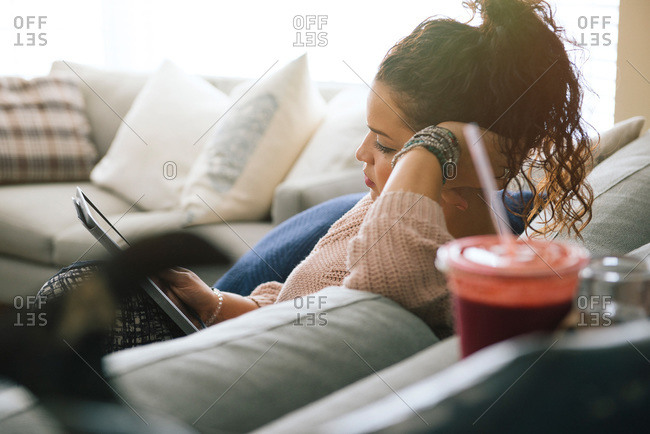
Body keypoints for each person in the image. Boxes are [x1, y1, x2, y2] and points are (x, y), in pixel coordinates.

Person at [39, 0, 593, 352]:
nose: (361, 154)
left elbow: (383, 287)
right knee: (82, 288)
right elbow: (309, 299)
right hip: (242, 335)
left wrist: (431, 146)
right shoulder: (386, 215)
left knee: (69, 304)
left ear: (455, 156)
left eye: (384, 145)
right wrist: (215, 303)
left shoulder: (460, 254)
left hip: (249, 368)